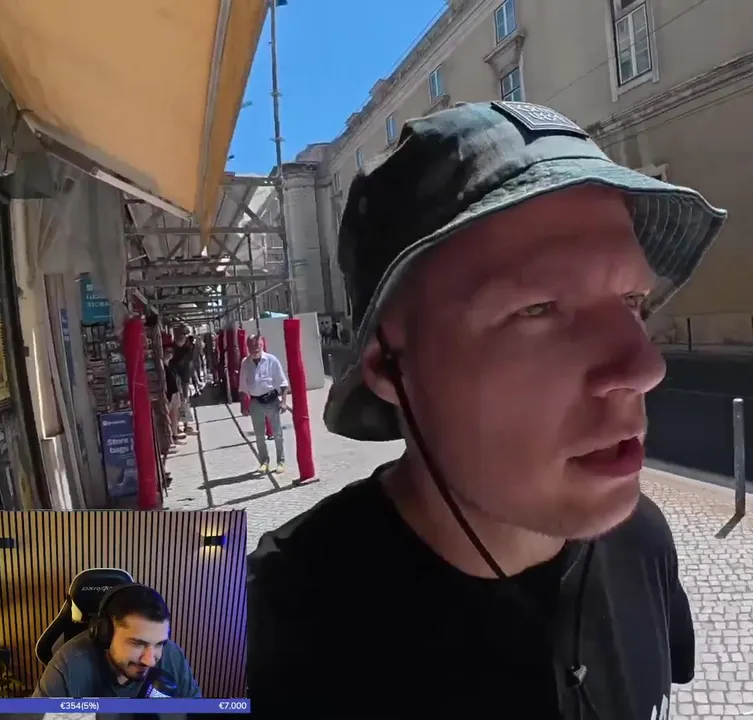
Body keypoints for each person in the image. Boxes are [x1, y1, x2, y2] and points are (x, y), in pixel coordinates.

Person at [246, 101, 726, 717]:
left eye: (633, 301)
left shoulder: (641, 541)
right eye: (537, 308)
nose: (644, 368)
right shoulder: (259, 635)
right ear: (390, 368)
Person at [32, 583, 201, 698]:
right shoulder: (68, 664)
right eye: (137, 643)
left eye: (159, 643)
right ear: (105, 635)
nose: (150, 661)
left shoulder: (172, 656)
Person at [238, 334, 289, 474]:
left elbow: (283, 383)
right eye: (251, 346)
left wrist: (284, 402)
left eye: (257, 345)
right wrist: (243, 406)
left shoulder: (272, 360)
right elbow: (242, 387)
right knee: (259, 435)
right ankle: (264, 461)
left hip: (271, 400)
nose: (255, 348)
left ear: (262, 345)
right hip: (255, 402)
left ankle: (281, 461)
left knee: (277, 434)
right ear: (247, 347)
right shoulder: (245, 363)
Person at [166, 327, 198, 439]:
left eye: (185, 336)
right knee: (180, 402)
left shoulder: (187, 347)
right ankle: (182, 426)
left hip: (184, 378)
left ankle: (184, 425)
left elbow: (190, 362)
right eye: (182, 335)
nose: (184, 338)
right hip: (177, 379)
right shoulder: (174, 349)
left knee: (184, 401)